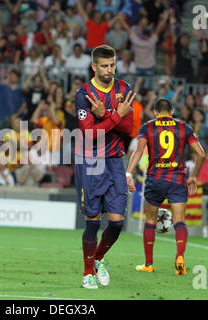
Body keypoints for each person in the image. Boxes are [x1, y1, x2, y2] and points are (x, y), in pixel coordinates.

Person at [74, 45, 136, 289]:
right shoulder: (84, 94)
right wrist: (114, 116)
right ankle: (87, 272)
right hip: (90, 161)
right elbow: (89, 135)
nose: (110, 70)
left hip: (114, 160)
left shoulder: (124, 89)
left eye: (112, 65)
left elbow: (128, 128)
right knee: (92, 221)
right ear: (94, 67)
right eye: (104, 66)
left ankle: (98, 259)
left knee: (118, 221)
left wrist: (106, 116)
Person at [126, 98, 206, 276]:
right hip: (177, 179)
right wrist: (193, 176)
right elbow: (201, 154)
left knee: (150, 220)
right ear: (172, 111)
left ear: (155, 112)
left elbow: (138, 152)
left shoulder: (147, 127)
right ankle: (180, 257)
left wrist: (129, 173)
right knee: (179, 221)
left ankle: (148, 264)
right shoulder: (184, 127)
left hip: (155, 179)